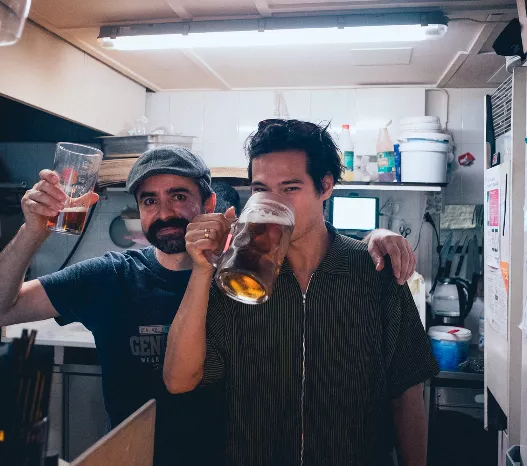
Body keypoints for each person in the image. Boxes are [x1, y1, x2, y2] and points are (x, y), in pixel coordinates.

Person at [0, 145, 415, 465]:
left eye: (179, 196)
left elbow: (304, 234)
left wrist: (373, 240)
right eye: (149, 201)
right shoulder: (109, 277)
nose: (165, 213)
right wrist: (33, 232)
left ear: (210, 203)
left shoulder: (249, 271)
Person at [164, 121, 439, 466]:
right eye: (262, 189)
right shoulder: (238, 277)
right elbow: (178, 381)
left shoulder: (374, 271)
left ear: (325, 186)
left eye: (289, 188)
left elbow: (406, 390)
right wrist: (203, 270)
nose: (272, 203)